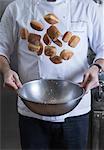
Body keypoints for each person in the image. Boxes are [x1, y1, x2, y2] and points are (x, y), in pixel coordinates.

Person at [0, 0, 104, 149]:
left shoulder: (87, 6)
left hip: (76, 110)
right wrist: (6, 70)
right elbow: (1, 49)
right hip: (31, 109)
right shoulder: (17, 8)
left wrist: (96, 67)